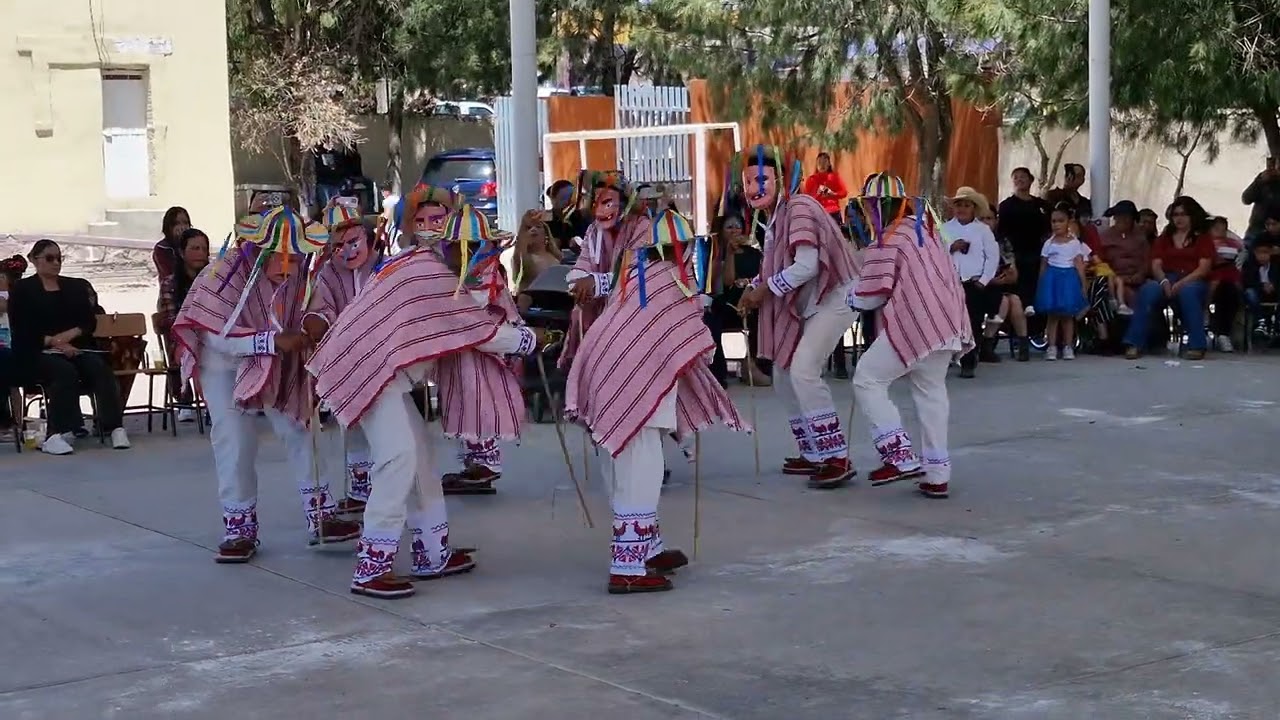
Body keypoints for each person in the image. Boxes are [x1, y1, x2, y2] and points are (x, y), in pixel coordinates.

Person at [308, 204, 551, 600]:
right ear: (455, 246)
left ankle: (431, 552)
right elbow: (477, 331)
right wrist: (531, 339)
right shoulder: (433, 276)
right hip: (370, 369)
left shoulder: (429, 266)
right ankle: (372, 566)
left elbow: (470, 318)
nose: (483, 256)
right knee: (399, 458)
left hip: (378, 369)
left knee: (420, 456)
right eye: (477, 248)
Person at [565, 208, 747, 594]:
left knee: (622, 468)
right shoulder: (675, 283)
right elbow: (694, 342)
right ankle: (627, 566)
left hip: (607, 379)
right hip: (634, 383)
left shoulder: (634, 276)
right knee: (641, 470)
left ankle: (648, 547)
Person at [172, 207, 361, 563]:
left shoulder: (300, 269)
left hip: (277, 356)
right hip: (224, 365)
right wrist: (270, 342)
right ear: (258, 248)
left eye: (295, 255)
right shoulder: (221, 274)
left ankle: (321, 515)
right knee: (235, 440)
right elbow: (215, 338)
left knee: (299, 425)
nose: (289, 264)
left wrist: (316, 321)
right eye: (281, 255)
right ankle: (238, 528)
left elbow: (313, 305)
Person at [735, 145, 861, 489]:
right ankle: (815, 453)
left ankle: (836, 456)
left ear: (782, 178)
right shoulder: (776, 215)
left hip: (835, 295)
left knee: (803, 369)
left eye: (761, 179)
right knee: (783, 372)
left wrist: (765, 289)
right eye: (747, 181)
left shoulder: (800, 207)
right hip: (815, 300)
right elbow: (778, 264)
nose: (753, 187)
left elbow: (806, 266)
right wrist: (758, 285)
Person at [848, 173, 971, 498]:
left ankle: (898, 454)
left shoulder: (891, 236)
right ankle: (936, 472)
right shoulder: (927, 230)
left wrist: (850, 298)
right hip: (946, 321)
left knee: (867, 378)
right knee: (930, 391)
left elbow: (870, 295)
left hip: (916, 321)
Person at [434, 204, 529, 495]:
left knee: (477, 400)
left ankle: (485, 463)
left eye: (468, 245)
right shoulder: (449, 272)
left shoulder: (485, 273)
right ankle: (474, 462)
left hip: (483, 348)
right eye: (453, 245)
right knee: (461, 400)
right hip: (459, 349)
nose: (458, 251)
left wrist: (518, 334)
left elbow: (487, 309)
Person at [303, 200, 386, 516]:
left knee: (384, 425)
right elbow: (321, 308)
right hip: (346, 359)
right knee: (351, 424)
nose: (348, 251)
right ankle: (359, 488)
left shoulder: (383, 267)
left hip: (382, 357)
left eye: (354, 242)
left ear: (367, 237)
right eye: (338, 246)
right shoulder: (326, 275)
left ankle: (387, 486)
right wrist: (319, 323)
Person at [9, 239, 128, 455]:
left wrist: (67, 339)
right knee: (63, 372)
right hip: (37, 350)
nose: (56, 263)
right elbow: (22, 329)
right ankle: (59, 431)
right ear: (35, 260)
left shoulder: (74, 286)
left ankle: (113, 425)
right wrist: (56, 343)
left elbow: (87, 322)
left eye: (59, 258)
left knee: (99, 368)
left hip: (74, 347)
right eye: (49, 258)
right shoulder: (23, 290)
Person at [1122, 196, 1215, 360]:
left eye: (1183, 214)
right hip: (1167, 276)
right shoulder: (1165, 238)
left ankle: (1197, 345)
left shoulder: (1202, 238)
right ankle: (1134, 343)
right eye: (1175, 214)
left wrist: (1181, 283)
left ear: (1192, 216)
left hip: (1193, 278)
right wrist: (1164, 281)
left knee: (1188, 293)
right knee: (1148, 291)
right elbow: (1156, 264)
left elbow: (1203, 268)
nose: (1179, 218)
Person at [705, 211, 771, 386]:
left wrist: (749, 286)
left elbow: (762, 277)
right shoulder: (716, 255)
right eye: (729, 227)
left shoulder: (755, 253)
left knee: (764, 312)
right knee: (712, 319)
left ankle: (752, 365)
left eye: (737, 226)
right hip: (727, 303)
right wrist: (730, 253)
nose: (734, 230)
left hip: (750, 299)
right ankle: (720, 370)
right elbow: (727, 282)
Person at [944, 186, 1001, 376]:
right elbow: (936, 254)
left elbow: (992, 257)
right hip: (951, 283)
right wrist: (951, 247)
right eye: (958, 205)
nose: (962, 209)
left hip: (973, 283)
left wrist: (983, 281)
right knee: (949, 321)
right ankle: (950, 356)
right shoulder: (945, 229)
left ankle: (969, 360)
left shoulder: (982, 230)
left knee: (973, 322)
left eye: (966, 205)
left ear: (973, 208)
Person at [155, 228, 211, 421]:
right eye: (195, 248)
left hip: (211, 336)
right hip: (181, 339)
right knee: (199, 352)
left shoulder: (214, 280)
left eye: (204, 249)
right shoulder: (170, 283)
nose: (201, 254)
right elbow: (171, 320)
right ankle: (209, 404)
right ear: (181, 252)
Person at [1036, 203, 1089, 361]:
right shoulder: (1048, 244)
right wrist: (1041, 285)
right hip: (1052, 280)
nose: (1057, 224)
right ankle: (1051, 346)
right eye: (1054, 221)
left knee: (1067, 316)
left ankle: (1068, 346)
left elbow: (1079, 264)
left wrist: (1083, 284)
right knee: (1052, 316)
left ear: (1068, 222)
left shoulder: (1074, 243)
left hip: (1068, 280)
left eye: (1061, 221)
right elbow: (1043, 265)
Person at [980, 208, 1030, 361]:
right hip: (980, 286)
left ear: (996, 221)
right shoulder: (973, 239)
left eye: (989, 218)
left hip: (1002, 284)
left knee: (1014, 300)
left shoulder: (1002, 241)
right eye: (982, 218)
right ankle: (986, 345)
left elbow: (1012, 270)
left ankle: (1023, 345)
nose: (986, 222)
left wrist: (1009, 274)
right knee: (1004, 302)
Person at [997, 167, 1051, 310]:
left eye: (1023, 176)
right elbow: (1002, 232)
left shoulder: (1041, 205)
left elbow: (1048, 230)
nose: (1019, 179)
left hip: (1037, 254)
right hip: (1016, 255)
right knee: (1018, 293)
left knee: (1037, 290)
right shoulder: (1006, 206)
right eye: (1016, 177)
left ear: (1031, 180)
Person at [1207, 216, 1245, 353]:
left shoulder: (1233, 243)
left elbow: (1241, 256)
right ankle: (1217, 330)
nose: (1220, 232)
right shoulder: (1206, 244)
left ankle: (1222, 333)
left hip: (1229, 277)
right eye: (1216, 229)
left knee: (1230, 293)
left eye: (1223, 229)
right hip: (1210, 277)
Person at [514, 208, 563, 308]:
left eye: (538, 227)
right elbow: (519, 260)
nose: (533, 229)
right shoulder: (524, 258)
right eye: (528, 228)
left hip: (557, 300)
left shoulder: (556, 257)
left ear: (546, 235)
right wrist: (524, 223)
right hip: (533, 303)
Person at [0, 255, 26, 434]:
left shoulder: (14, 297)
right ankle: (13, 422)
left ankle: (16, 422)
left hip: (11, 350)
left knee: (12, 386)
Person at [1242, 239, 1279, 334]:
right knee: (1250, 293)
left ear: (1271, 253)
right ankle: (1260, 321)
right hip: (1257, 293)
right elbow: (1247, 282)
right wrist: (1262, 286)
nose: (1262, 256)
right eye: (1259, 253)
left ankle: (1277, 322)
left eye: (1265, 252)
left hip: (1274, 293)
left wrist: (1273, 285)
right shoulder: (1249, 265)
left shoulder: (1276, 266)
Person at [802, 152, 849, 226]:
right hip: (818, 213)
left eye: (825, 162)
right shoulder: (811, 180)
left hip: (833, 212)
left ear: (829, 164)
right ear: (816, 164)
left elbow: (844, 193)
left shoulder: (834, 177)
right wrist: (818, 194)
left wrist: (833, 194)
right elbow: (807, 199)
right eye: (820, 162)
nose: (822, 165)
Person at [545, 179, 590, 252]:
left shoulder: (580, 218)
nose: (568, 202)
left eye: (571, 198)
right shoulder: (546, 220)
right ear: (553, 199)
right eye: (563, 198)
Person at [1241, 156, 1280, 243]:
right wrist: (1259, 181)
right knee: (1245, 255)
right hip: (1257, 230)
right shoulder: (1264, 181)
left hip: (1277, 234)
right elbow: (1246, 199)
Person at [153, 206, 192, 289]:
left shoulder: (194, 245)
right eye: (177, 223)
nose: (182, 227)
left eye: (185, 223)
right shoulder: (161, 248)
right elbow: (170, 274)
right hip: (171, 296)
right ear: (168, 226)